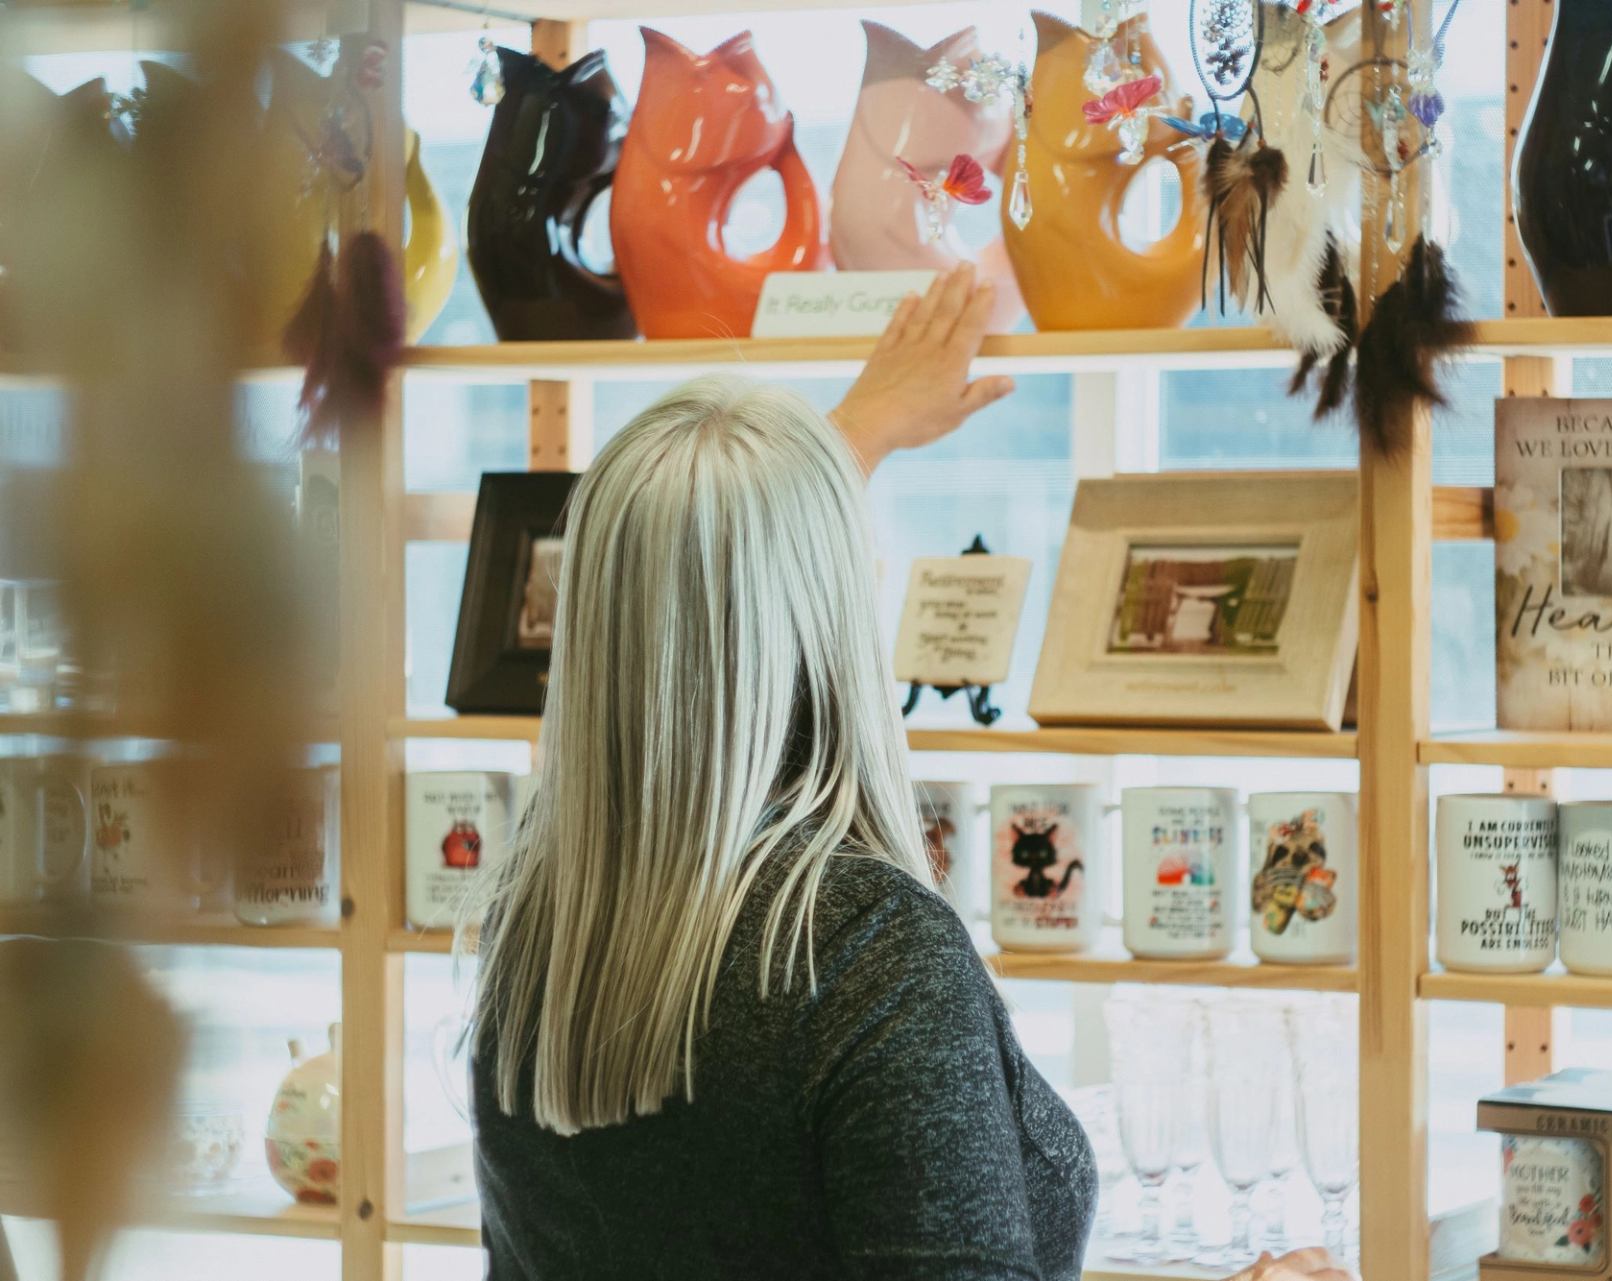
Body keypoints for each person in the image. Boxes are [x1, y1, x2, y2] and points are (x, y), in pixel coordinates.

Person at [468, 265, 1358, 1281]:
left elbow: (688, 570)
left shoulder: (542, 916)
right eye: (856, 559)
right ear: (833, 607)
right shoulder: (863, 956)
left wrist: (859, 430)